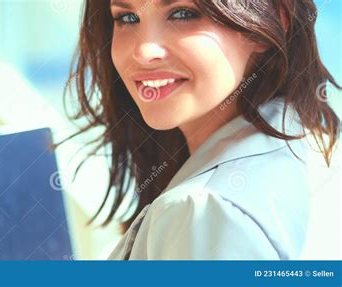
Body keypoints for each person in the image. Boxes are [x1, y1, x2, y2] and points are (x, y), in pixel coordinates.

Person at [55, 0, 341, 259]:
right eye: (127, 18)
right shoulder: (311, 143)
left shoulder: (203, 210)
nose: (144, 52)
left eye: (183, 13)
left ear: (272, 18)